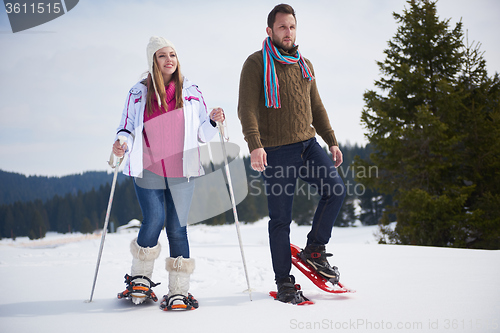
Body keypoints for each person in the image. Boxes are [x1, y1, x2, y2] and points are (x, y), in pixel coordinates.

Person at [237, 4, 346, 304]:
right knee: (281, 219)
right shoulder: (256, 63)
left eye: (292, 27)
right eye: (282, 27)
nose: (288, 32)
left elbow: (317, 107)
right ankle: (284, 280)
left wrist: (332, 141)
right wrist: (254, 144)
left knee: (335, 190)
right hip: (276, 150)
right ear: (270, 31)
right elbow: (245, 108)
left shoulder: (304, 64)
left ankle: (314, 249)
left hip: (308, 145)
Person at [113, 36, 225, 310]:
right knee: (154, 218)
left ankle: (178, 290)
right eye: (163, 55)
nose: (169, 60)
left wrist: (212, 120)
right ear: (154, 60)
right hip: (147, 166)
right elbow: (126, 126)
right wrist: (121, 143)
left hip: (181, 170)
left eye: (173, 54)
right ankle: (140, 279)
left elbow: (201, 133)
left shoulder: (191, 91)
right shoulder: (138, 93)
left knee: (177, 229)